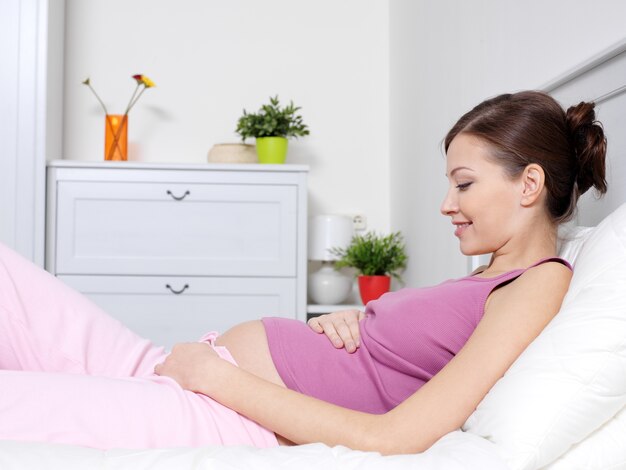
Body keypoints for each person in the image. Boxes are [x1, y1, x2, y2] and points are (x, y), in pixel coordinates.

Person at [0, 91, 607, 454]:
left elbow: (392, 439)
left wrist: (212, 377)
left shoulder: (539, 283)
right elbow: (402, 359)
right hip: (189, 371)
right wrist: (363, 322)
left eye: (464, 184)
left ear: (530, 183)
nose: (447, 204)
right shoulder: (485, 280)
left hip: (223, 409)